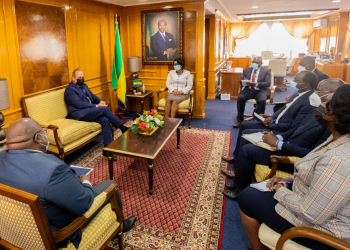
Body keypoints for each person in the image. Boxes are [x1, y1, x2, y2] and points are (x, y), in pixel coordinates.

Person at [238, 84, 350, 250]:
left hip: (323, 231)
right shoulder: (339, 138)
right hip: (307, 199)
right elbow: (315, 172)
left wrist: (279, 189)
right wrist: (287, 180)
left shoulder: (339, 160)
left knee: (247, 197)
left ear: (337, 115)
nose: (322, 103)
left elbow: (310, 213)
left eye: (328, 103)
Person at [0, 118, 136, 248]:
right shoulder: (52, 169)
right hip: (55, 235)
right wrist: (86, 182)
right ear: (37, 138)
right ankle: (121, 225)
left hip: (14, 233)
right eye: (43, 133)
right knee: (110, 184)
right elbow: (83, 204)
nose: (45, 137)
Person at [223, 79, 345, 199]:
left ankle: (239, 189)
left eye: (319, 91)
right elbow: (297, 128)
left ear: (334, 95)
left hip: (294, 157)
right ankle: (238, 180)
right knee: (248, 139)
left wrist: (279, 144)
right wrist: (279, 137)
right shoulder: (319, 109)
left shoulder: (332, 125)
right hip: (285, 143)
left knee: (248, 150)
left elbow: (313, 153)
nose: (315, 93)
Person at [222, 71, 318, 171]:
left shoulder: (309, 102)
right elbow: (283, 109)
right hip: (274, 123)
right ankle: (236, 156)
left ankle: (237, 169)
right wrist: (270, 117)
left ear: (306, 84)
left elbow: (294, 126)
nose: (292, 82)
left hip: (280, 130)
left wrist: (271, 125)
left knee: (246, 133)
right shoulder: (299, 92)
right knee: (244, 125)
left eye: (296, 80)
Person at [64, 69, 128, 148]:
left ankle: (107, 147)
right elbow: (79, 104)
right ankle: (122, 127)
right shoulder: (70, 90)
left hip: (89, 111)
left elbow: (92, 96)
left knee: (105, 120)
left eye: (82, 77)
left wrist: (101, 101)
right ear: (73, 78)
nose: (82, 79)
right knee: (104, 109)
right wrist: (97, 106)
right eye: (79, 77)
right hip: (80, 114)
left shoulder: (84, 85)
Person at [234, 57, 272, 128]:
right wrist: (244, 82)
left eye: (256, 63)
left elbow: (268, 83)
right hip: (249, 90)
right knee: (240, 98)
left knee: (261, 100)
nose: (254, 64)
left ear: (261, 64)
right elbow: (241, 80)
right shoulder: (247, 70)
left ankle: (259, 121)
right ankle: (240, 120)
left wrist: (255, 84)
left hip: (261, 90)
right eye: (253, 62)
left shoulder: (267, 71)